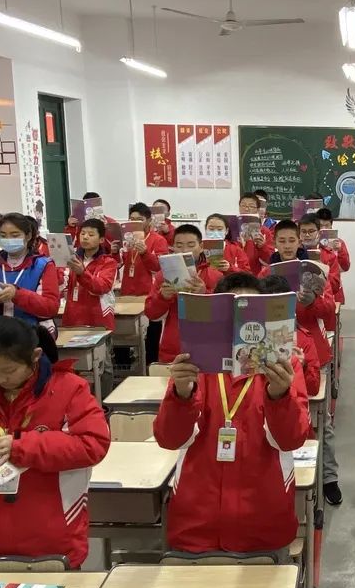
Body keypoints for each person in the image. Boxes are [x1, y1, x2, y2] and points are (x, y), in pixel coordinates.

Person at [0, 317, 110, 569]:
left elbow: (92, 444)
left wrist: (21, 447)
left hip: (50, 532)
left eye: (9, 371)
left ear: (35, 356)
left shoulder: (69, 388)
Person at [152, 327, 310, 557]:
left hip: (263, 525)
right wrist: (181, 394)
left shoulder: (284, 366)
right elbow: (168, 439)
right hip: (196, 524)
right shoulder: (197, 364)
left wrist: (279, 396)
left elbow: (291, 440)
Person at [259, 274, 342, 505]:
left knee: (324, 424)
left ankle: (329, 477)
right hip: (267, 408)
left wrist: (303, 365)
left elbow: (314, 388)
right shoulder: (251, 342)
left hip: (297, 403)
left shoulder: (302, 339)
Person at [260, 220, 336, 368]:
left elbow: (330, 309)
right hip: (275, 341)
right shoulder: (266, 274)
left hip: (311, 340)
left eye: (292, 240)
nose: (287, 246)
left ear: (299, 243)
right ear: (275, 243)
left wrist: (313, 302)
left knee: (312, 378)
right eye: (282, 241)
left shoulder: (312, 271)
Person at [144, 224, 224, 364]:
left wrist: (205, 293)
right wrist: (162, 297)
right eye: (179, 245)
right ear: (173, 248)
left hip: (209, 346)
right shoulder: (162, 276)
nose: (185, 250)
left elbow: (223, 315)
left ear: (201, 247)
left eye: (191, 245)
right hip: (173, 349)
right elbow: (151, 314)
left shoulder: (216, 276)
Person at [0, 214, 60, 332]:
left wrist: (17, 294)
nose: (8, 239)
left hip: (31, 332)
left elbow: (51, 308)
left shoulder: (43, 265)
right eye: (3, 235)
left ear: (28, 236)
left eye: (15, 235)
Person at [62, 219, 119, 330]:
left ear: (101, 239)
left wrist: (82, 273)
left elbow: (102, 287)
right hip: (73, 318)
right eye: (82, 233)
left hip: (98, 320)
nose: (85, 237)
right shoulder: (73, 260)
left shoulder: (108, 262)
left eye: (91, 234)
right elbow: (62, 285)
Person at [119, 202, 169, 296]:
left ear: (149, 220)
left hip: (148, 292)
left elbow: (159, 268)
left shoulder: (159, 240)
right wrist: (115, 252)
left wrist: (145, 253)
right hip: (127, 290)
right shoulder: (127, 238)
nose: (135, 223)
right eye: (132, 219)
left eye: (140, 220)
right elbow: (119, 263)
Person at [298, 213, 344, 304]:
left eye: (311, 231)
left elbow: (335, 287)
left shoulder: (329, 256)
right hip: (299, 301)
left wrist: (322, 272)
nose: (307, 235)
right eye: (303, 231)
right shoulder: (294, 254)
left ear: (319, 233)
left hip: (322, 302)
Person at [315, 207, 351, 274]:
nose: (324, 228)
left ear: (331, 226)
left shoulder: (339, 242)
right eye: (321, 226)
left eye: (327, 225)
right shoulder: (312, 242)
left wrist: (340, 251)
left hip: (333, 278)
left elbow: (345, 267)